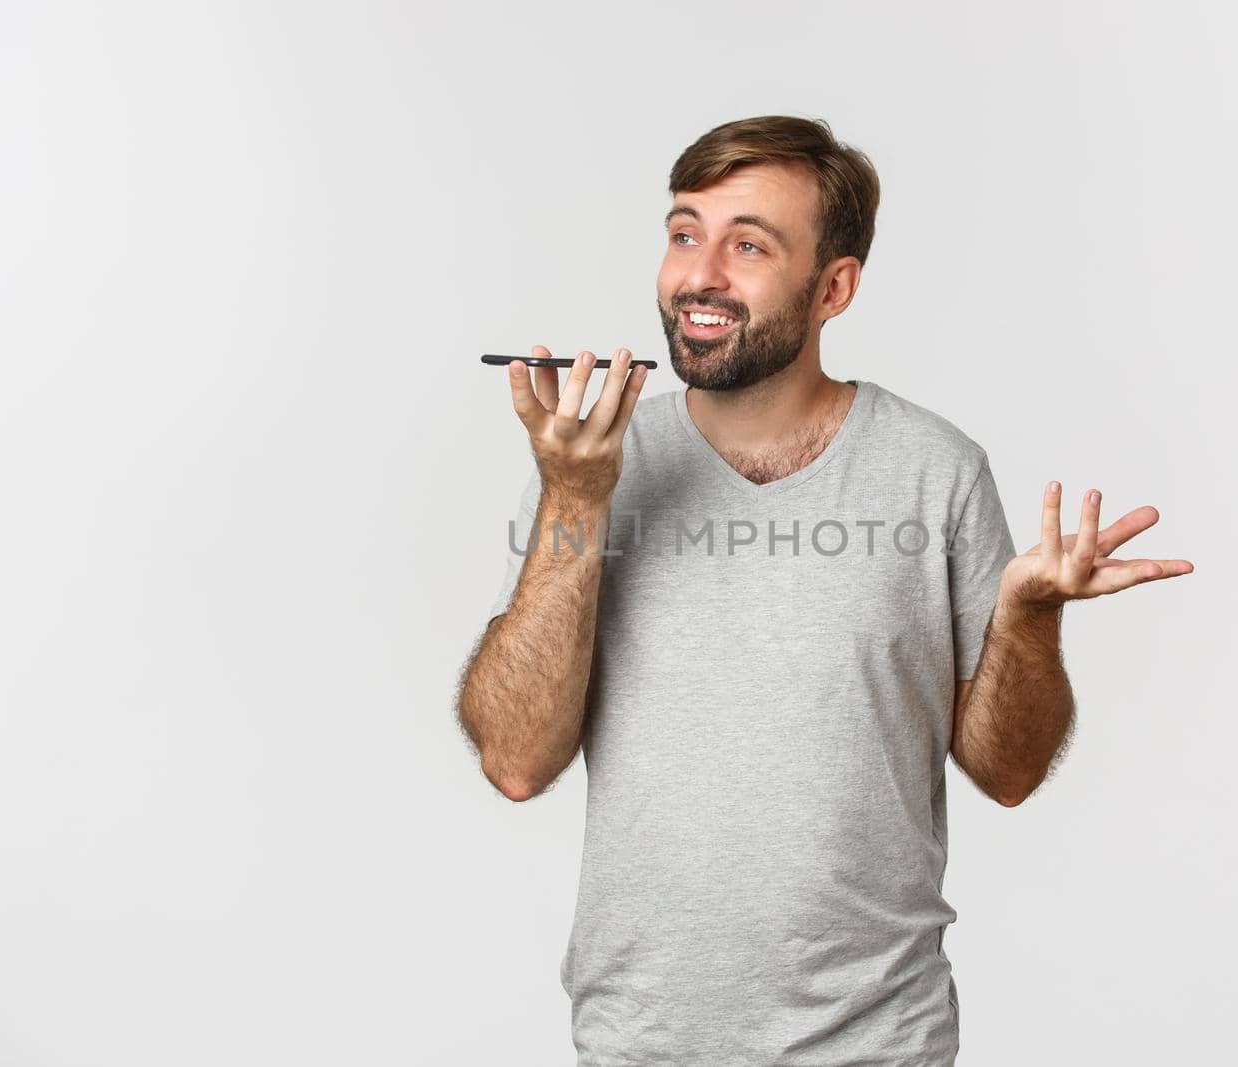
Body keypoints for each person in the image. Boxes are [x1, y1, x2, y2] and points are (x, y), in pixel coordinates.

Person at [457, 115, 1194, 1065]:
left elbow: (1007, 774)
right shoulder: (597, 460)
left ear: (833, 287)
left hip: (879, 1042)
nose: (699, 275)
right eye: (684, 234)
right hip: (643, 1042)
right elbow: (516, 761)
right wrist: (574, 499)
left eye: (748, 245)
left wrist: (1031, 618)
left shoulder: (937, 470)